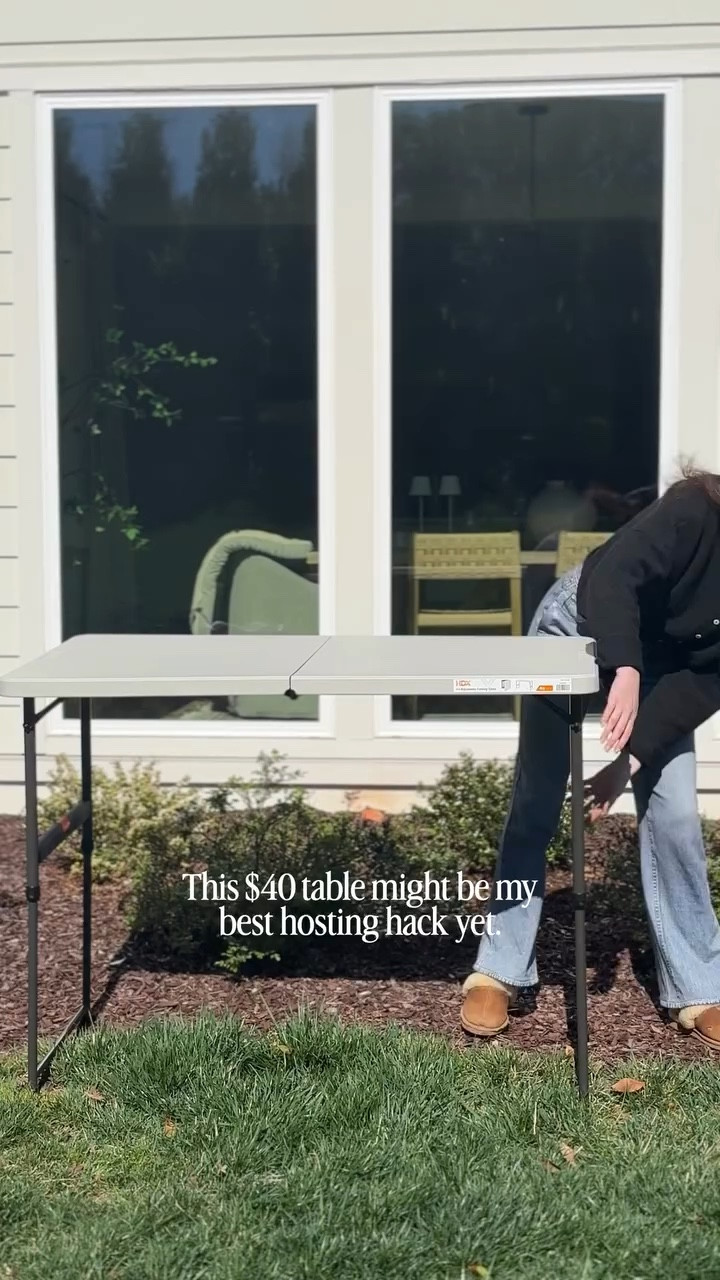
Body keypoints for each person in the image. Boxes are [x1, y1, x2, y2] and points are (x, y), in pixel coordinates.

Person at [461, 465, 720, 1051]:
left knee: (677, 816)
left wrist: (627, 761)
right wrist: (624, 667)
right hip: (575, 627)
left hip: (664, 671)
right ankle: (498, 970)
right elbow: (616, 574)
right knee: (538, 799)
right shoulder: (695, 505)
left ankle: (700, 988)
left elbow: (706, 683)